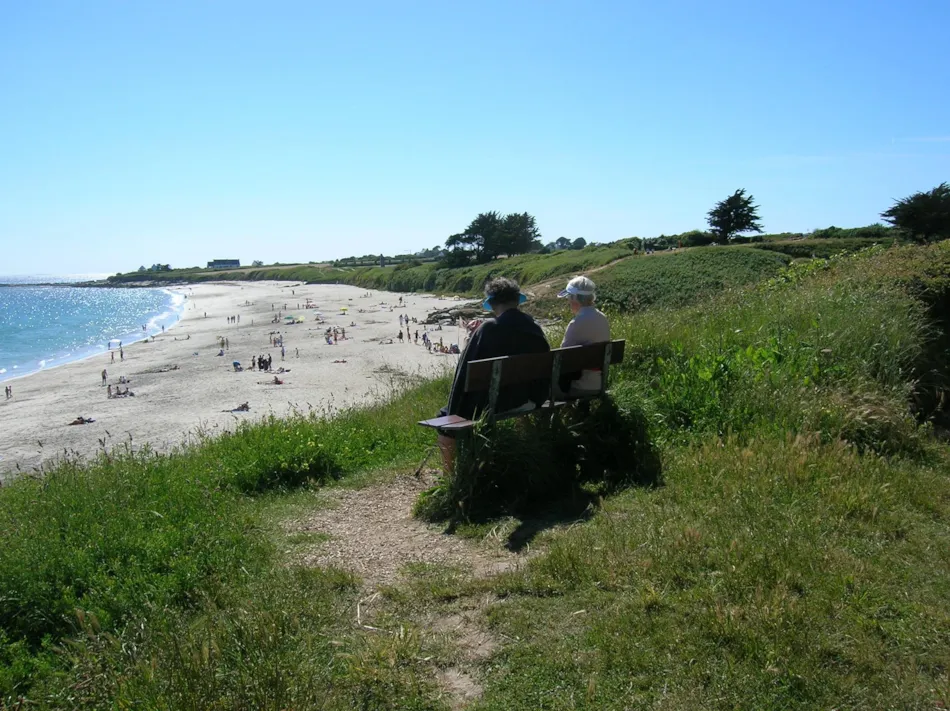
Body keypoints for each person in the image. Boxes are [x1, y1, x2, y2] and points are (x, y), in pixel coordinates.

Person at [434, 277, 550, 472]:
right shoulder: (533, 327)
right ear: (517, 300)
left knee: (443, 416)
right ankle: (532, 449)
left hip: (495, 404)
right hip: (528, 398)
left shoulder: (487, 329)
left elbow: (463, 375)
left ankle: (450, 476)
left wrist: (455, 411)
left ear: (492, 303)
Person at [556, 276, 610, 395]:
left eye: (569, 298)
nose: (568, 302)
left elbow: (561, 357)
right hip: (599, 384)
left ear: (575, 299)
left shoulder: (576, 323)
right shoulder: (602, 318)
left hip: (578, 385)